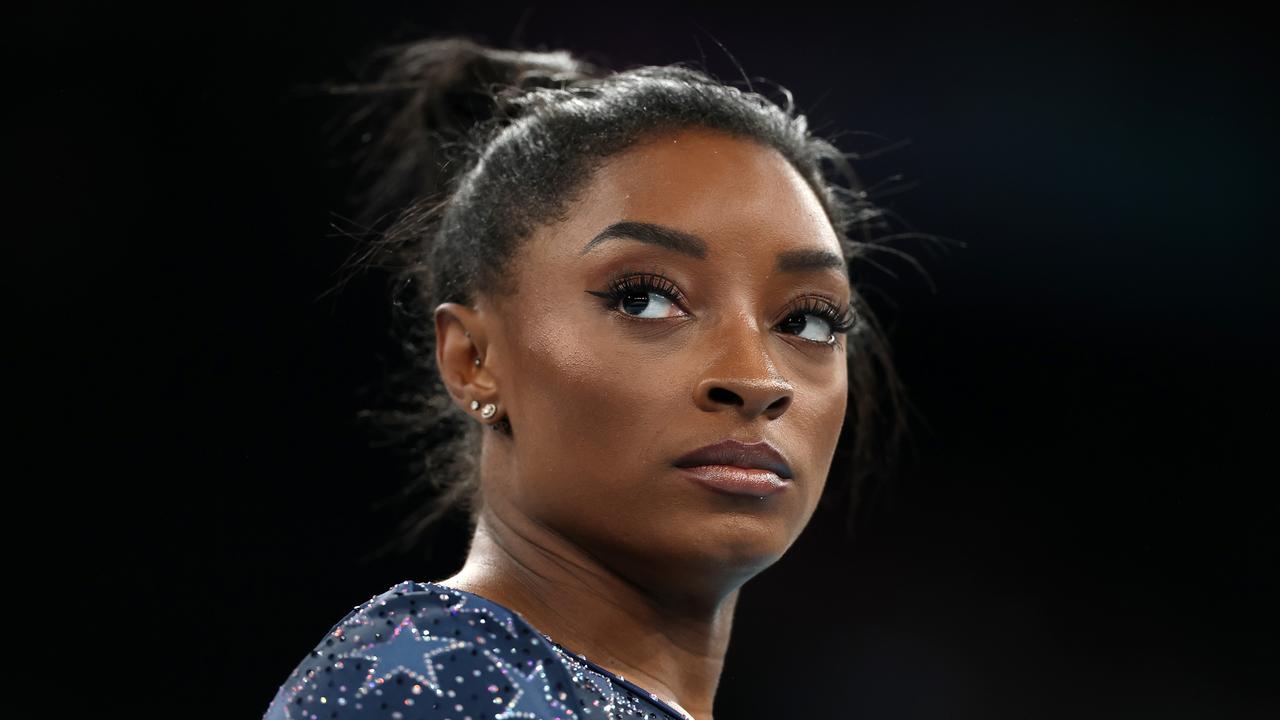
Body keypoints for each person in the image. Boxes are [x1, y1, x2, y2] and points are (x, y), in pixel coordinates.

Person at [263, 36, 911, 720]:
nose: (756, 379)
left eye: (808, 321)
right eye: (645, 298)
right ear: (473, 361)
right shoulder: (432, 681)